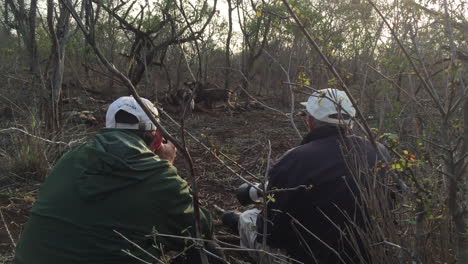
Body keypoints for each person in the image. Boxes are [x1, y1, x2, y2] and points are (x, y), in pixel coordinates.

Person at [14, 96, 222, 264]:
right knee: (210, 255)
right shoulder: (157, 175)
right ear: (158, 139)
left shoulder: (69, 158)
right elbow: (201, 230)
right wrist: (167, 164)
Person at [223, 88, 391, 263]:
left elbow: (272, 234)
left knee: (247, 218)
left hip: (309, 258)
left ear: (310, 121)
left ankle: (240, 225)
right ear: (351, 121)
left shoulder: (294, 160)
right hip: (371, 253)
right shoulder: (380, 151)